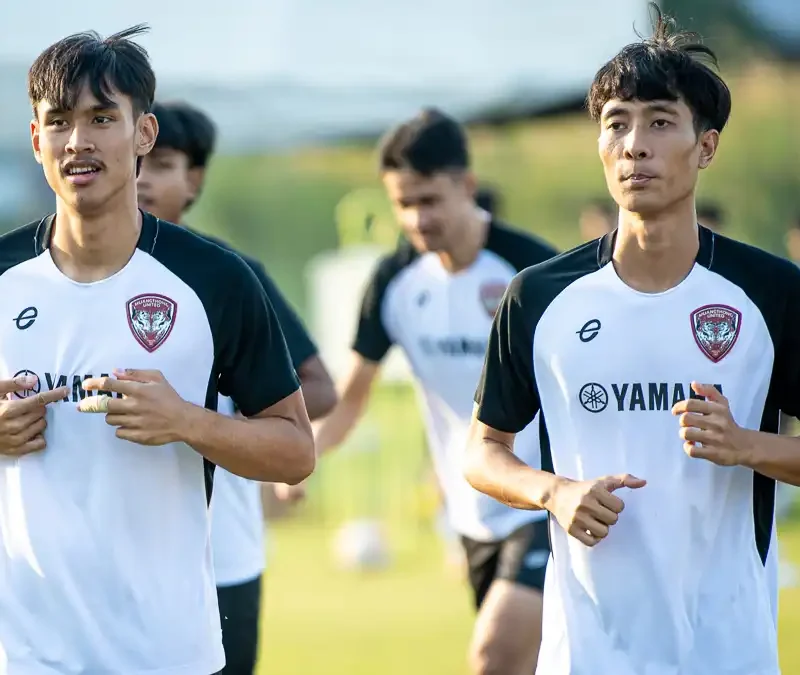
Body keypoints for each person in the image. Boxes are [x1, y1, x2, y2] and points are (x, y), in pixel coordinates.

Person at [466, 7, 797, 674]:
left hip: (728, 648)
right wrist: (552, 492)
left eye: (659, 122)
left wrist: (747, 446)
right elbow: (482, 450)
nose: (634, 144)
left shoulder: (771, 293)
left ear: (705, 147)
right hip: (586, 653)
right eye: (616, 123)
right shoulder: (539, 296)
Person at [0, 26, 315, 674]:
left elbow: (295, 451)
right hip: (27, 652)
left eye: (100, 118)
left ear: (142, 134)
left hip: (166, 650)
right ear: (36, 140)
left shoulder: (217, 279)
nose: (78, 140)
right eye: (58, 121)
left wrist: (188, 422)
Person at [309, 108, 558, 674]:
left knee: (493, 656)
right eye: (403, 203)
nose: (416, 218)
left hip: (544, 499)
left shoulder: (534, 270)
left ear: (467, 187)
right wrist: (303, 458)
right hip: (470, 512)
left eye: (429, 199)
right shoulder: (394, 283)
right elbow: (352, 398)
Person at [137, 100, 337, 675]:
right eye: (139, 160)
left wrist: (213, 413)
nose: (144, 176)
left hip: (221, 548)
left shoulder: (230, 273)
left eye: (164, 163)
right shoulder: (64, 276)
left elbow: (318, 390)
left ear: (194, 179)